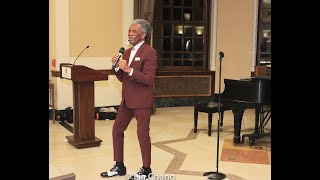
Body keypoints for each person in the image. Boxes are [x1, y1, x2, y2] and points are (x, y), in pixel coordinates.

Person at [100, 19, 157, 180]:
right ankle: (119, 166)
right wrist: (117, 67)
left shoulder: (149, 52)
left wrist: (129, 69)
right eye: (129, 31)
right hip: (126, 101)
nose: (130, 34)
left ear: (143, 35)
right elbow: (123, 78)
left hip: (142, 102)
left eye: (134, 31)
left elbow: (149, 79)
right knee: (117, 130)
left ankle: (146, 170)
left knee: (142, 134)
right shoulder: (126, 52)